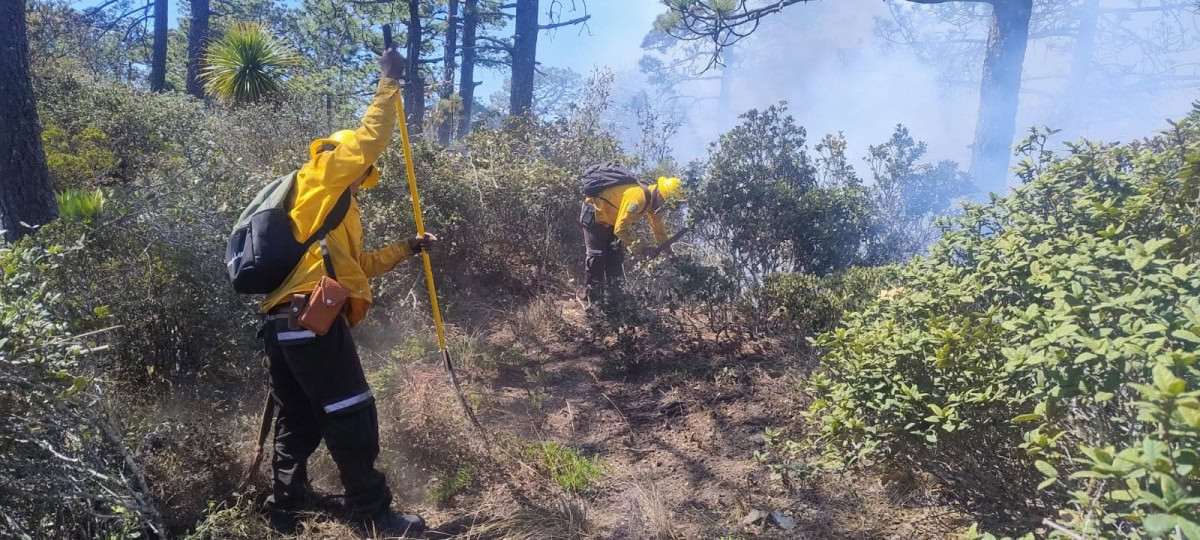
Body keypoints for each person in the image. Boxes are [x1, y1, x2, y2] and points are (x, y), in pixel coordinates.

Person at [257, 43, 433, 537]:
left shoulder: (326, 207)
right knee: (349, 408)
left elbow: (356, 267)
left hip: (282, 322)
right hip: (311, 318)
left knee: (301, 416)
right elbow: (371, 138)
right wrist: (388, 81)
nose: (363, 179)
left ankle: (287, 507)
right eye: (361, 172)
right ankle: (374, 515)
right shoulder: (325, 174)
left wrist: (407, 248)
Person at [579, 165, 683, 305]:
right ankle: (590, 299)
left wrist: (671, 256)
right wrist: (641, 249)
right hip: (595, 216)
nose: (666, 207)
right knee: (597, 256)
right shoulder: (638, 198)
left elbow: (660, 232)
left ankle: (614, 301)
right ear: (660, 195)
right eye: (667, 203)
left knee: (615, 260)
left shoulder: (654, 205)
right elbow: (620, 229)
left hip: (611, 222)